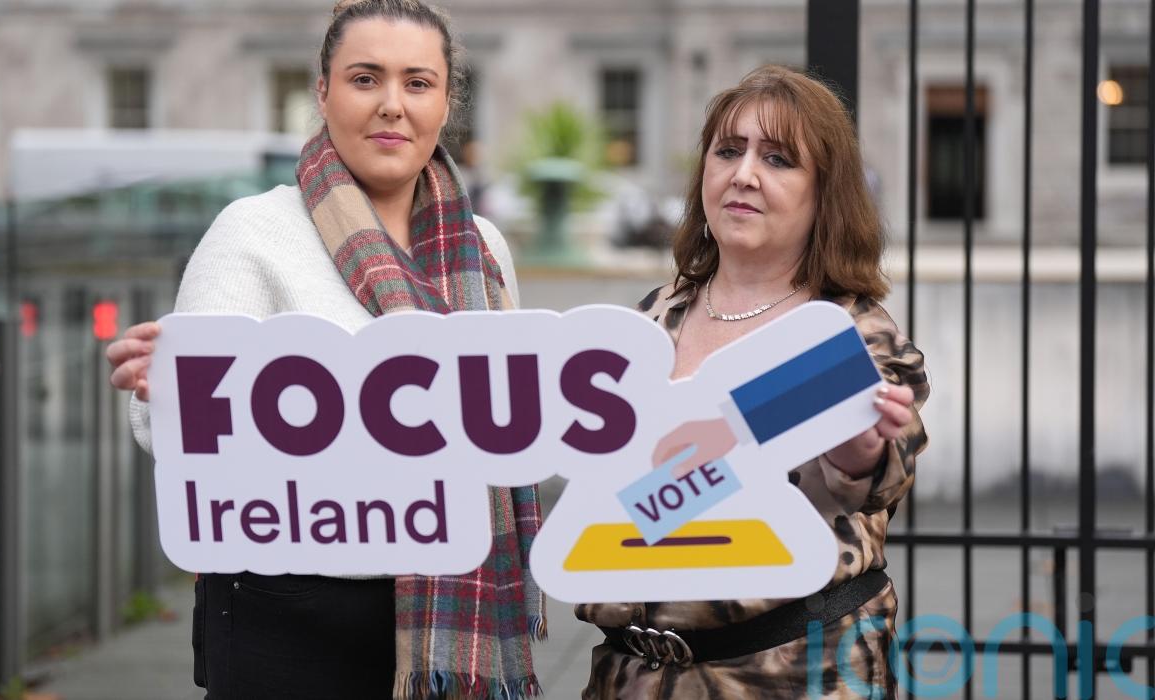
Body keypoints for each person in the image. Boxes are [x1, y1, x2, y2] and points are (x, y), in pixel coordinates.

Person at [105, 1, 544, 698]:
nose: (392, 104)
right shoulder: (253, 232)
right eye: (365, 79)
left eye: (418, 83)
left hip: (450, 614)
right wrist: (163, 388)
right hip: (282, 612)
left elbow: (510, 424)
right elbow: (175, 436)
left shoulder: (484, 248)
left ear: (446, 104)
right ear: (323, 92)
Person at [574, 65, 929, 698]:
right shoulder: (648, 320)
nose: (743, 174)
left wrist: (858, 449)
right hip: (629, 675)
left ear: (825, 194)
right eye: (728, 151)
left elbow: (875, 477)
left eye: (778, 159)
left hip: (794, 675)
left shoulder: (845, 333)